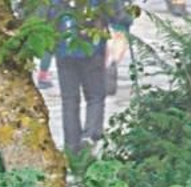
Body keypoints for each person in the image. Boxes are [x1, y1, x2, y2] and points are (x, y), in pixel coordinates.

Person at [45, 0, 132, 154]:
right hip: (92, 49)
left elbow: (47, 15)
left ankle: (71, 145)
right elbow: (119, 16)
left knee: (69, 100)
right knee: (96, 96)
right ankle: (90, 135)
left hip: (64, 49)